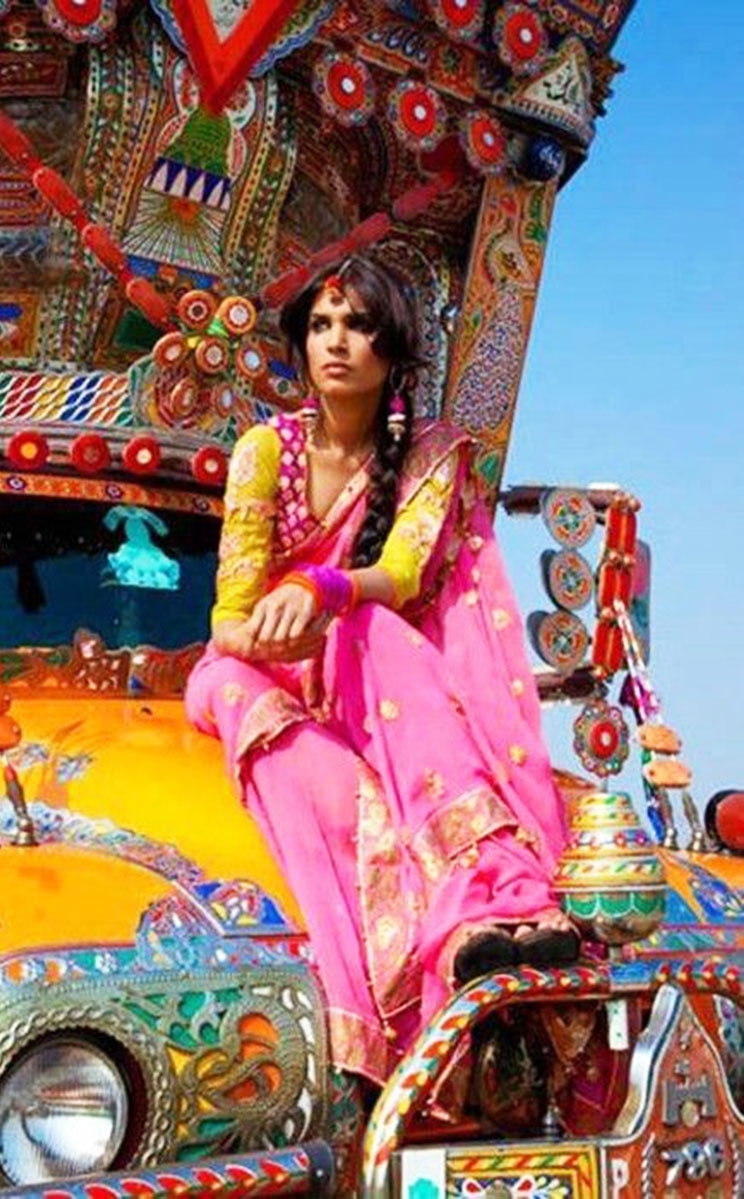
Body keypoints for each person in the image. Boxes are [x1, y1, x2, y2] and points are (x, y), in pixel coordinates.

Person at [185, 255, 577, 1086]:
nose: (337, 343)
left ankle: (486, 907)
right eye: (322, 325)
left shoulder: (430, 453)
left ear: (393, 350)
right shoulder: (265, 449)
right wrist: (275, 635)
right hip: (264, 674)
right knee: (231, 689)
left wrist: (326, 589)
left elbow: (398, 575)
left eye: (358, 325)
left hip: (370, 674)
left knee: (375, 627)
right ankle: (376, 1019)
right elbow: (226, 615)